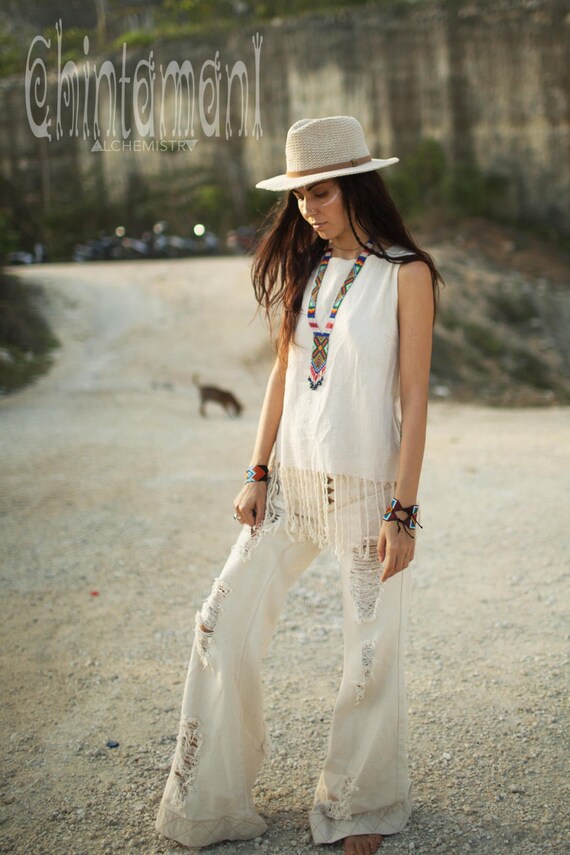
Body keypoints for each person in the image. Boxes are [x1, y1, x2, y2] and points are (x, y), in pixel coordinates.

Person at [155, 116, 442, 855]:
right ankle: (211, 793)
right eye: (299, 196)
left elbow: (414, 396)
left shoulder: (407, 274)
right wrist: (256, 471)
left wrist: (402, 511)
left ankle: (361, 801)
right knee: (220, 621)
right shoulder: (308, 270)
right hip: (290, 484)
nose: (309, 208)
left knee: (370, 653)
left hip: (364, 486)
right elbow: (284, 373)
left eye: (321, 192)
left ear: (356, 188)